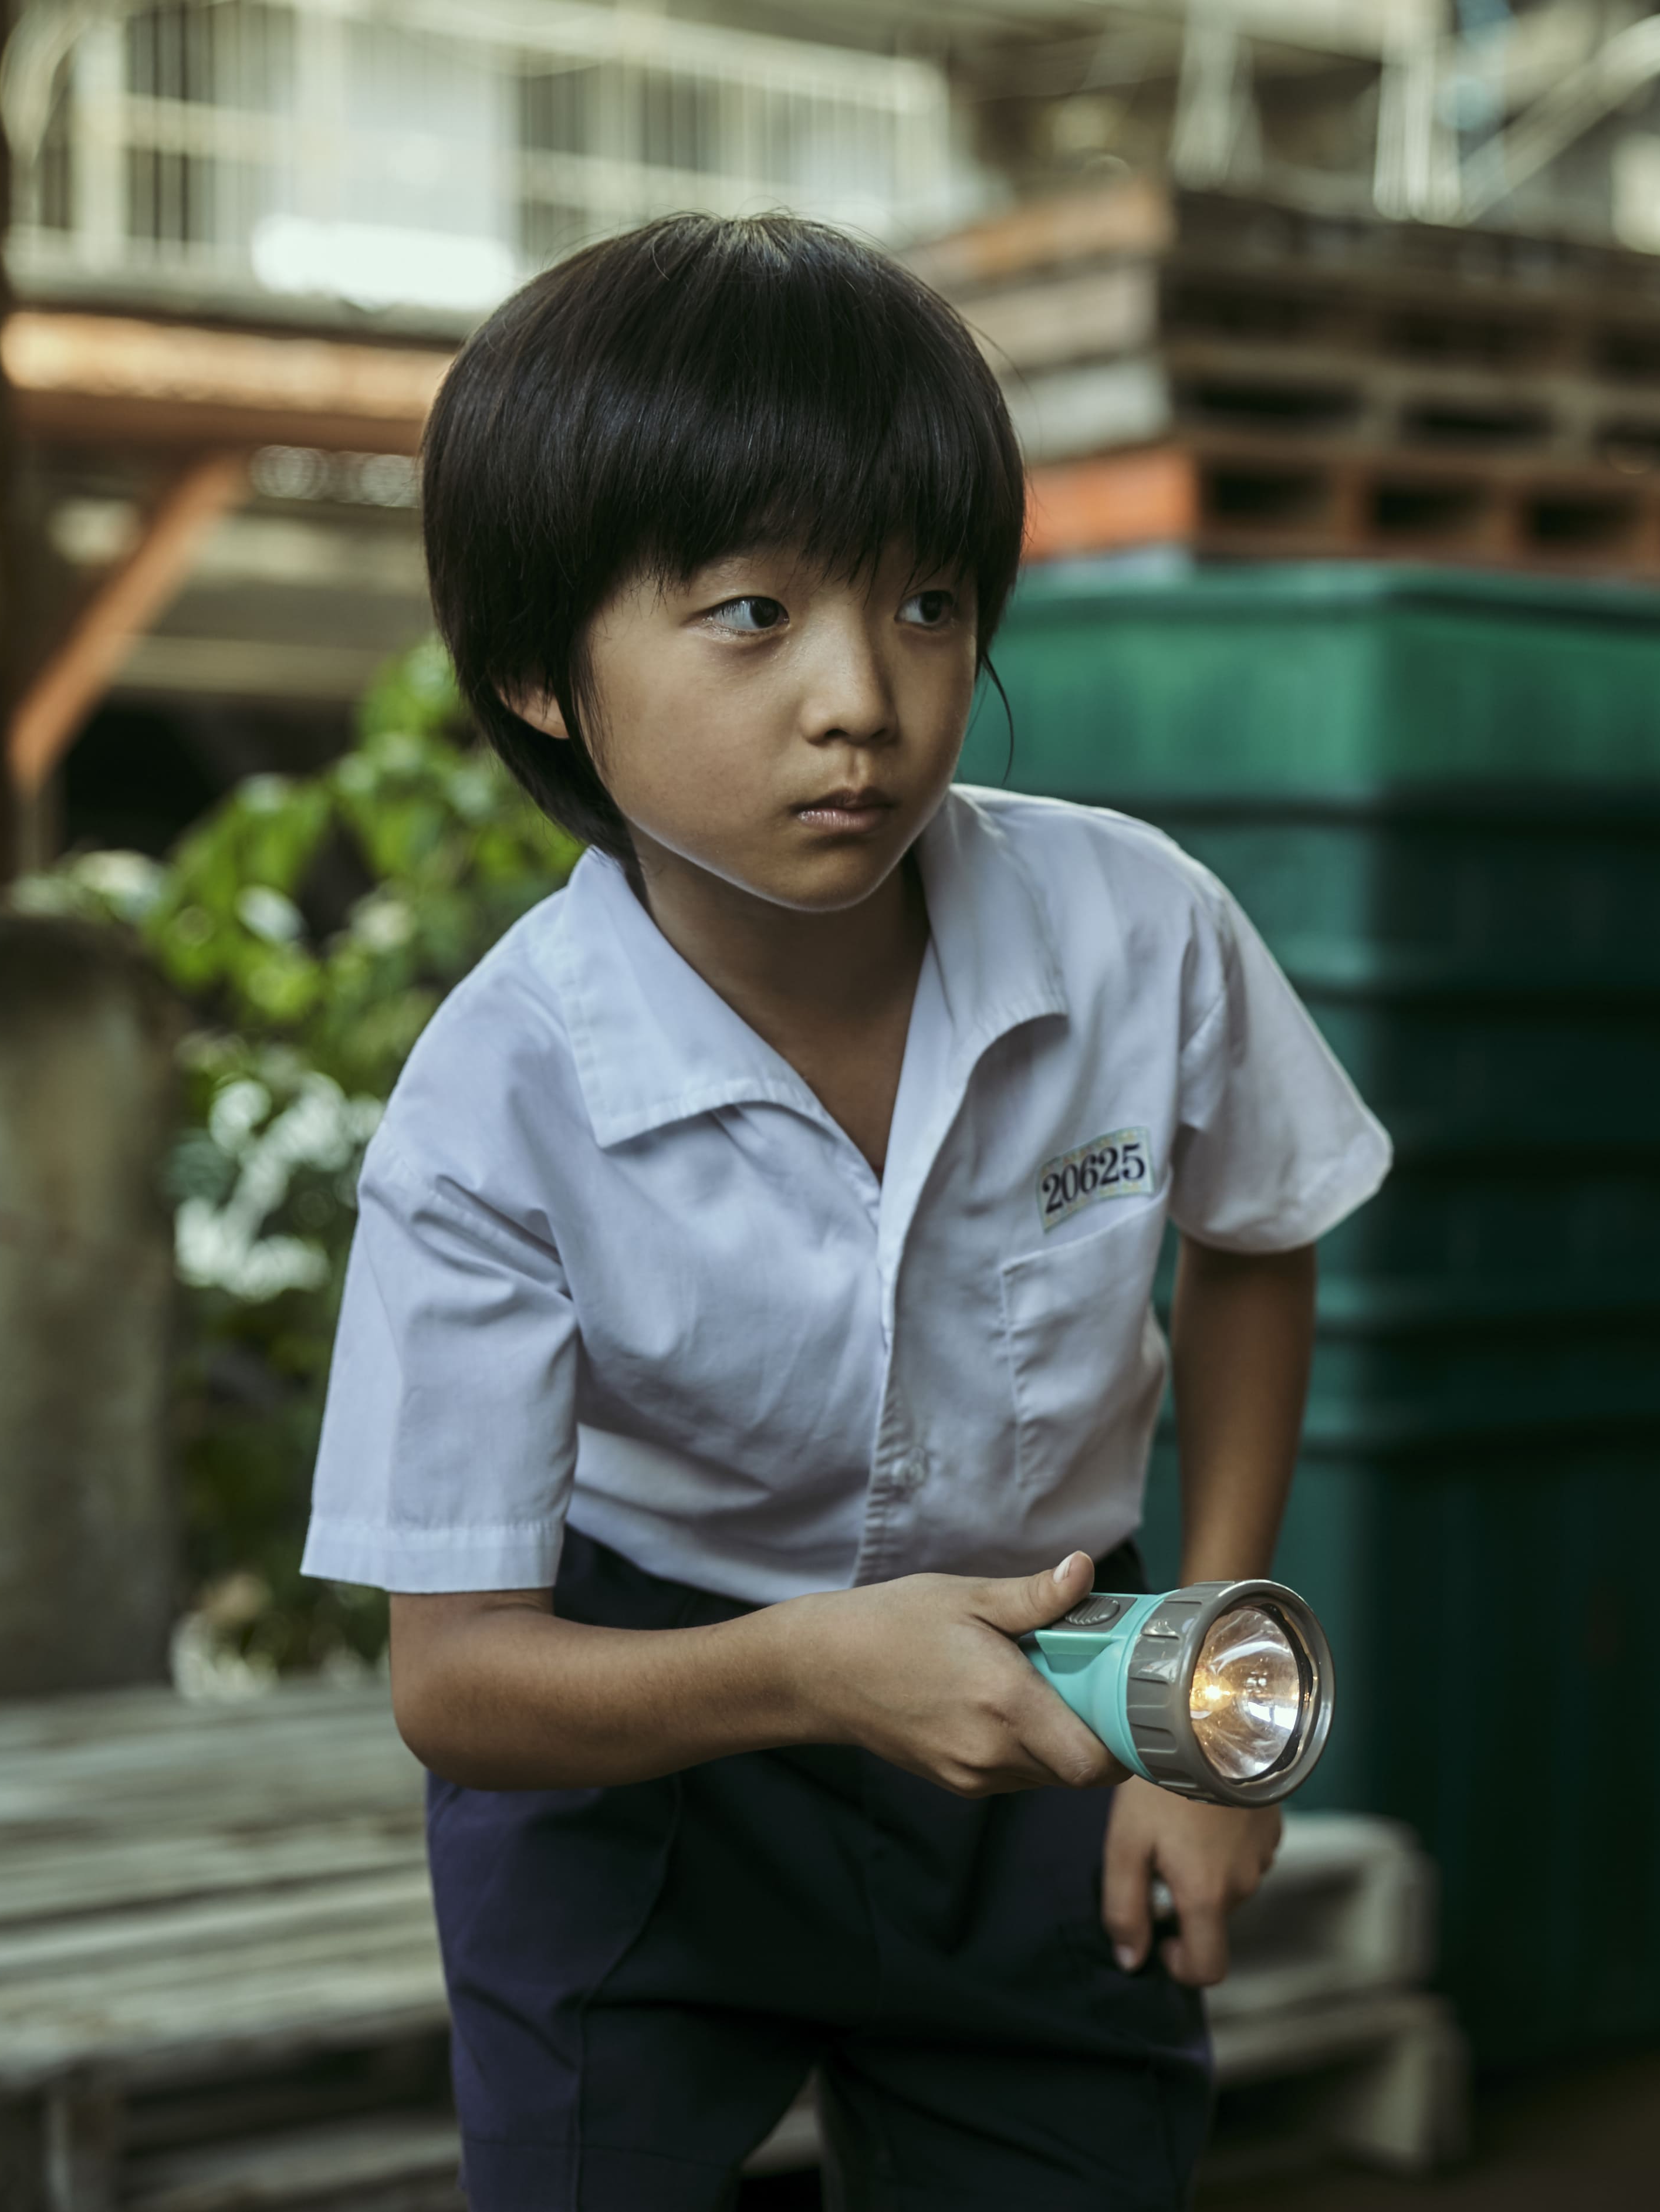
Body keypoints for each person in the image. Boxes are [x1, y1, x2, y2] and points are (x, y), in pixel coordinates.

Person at [300, 212, 1391, 2210]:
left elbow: (1255, 1236)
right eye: (749, 612)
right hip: (642, 1757)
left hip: (1064, 1696)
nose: (863, 701)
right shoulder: (497, 1097)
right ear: (542, 671)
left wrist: (1204, 1733)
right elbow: (457, 1679)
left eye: (924, 602)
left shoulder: (1136, 926)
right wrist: (813, 1668)